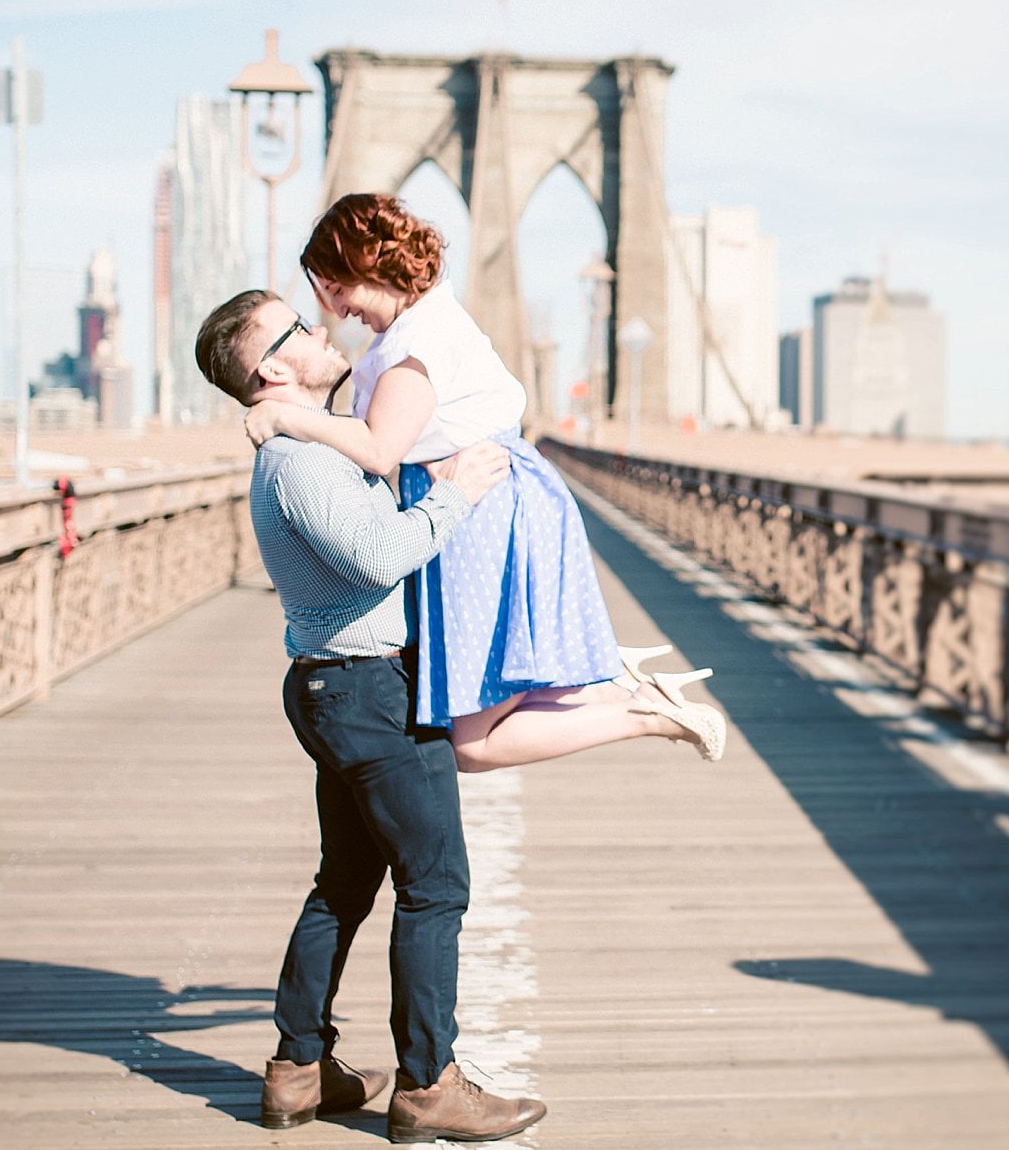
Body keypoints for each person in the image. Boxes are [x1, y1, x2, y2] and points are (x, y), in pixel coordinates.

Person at [193, 286, 544, 1145]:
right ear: (274, 367)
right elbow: (381, 554)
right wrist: (456, 489)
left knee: (346, 883)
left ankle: (299, 1070)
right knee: (436, 885)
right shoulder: (299, 463)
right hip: (366, 693)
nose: (322, 331)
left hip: (338, 689)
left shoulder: (302, 443)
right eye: (301, 327)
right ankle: (429, 1087)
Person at [243, 191, 727, 769]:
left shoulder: (414, 347)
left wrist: (283, 416)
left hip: (481, 511)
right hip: (478, 506)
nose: (336, 309)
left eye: (335, 289)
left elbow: (378, 450)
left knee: (472, 744)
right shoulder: (415, 330)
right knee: (469, 724)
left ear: (365, 266)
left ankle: (646, 710)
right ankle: (590, 678)